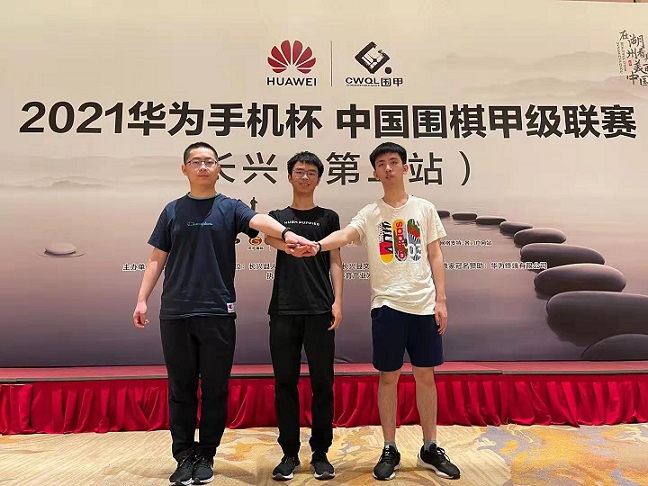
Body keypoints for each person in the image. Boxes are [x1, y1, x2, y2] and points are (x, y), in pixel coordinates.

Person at [132, 142, 314, 486]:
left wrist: (287, 233)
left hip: (218, 312)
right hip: (176, 313)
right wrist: (142, 299)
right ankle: (183, 456)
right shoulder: (172, 210)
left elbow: (259, 221)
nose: (203, 166)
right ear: (184, 169)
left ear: (219, 169)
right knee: (181, 389)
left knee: (215, 389)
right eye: (196, 162)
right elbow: (157, 258)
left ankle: (206, 455)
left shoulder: (230, 207)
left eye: (209, 161)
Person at [307, 142, 461, 481]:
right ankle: (389, 447)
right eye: (381, 164)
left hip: (423, 305)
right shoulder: (370, 213)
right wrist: (318, 245)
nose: (388, 168)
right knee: (388, 377)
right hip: (387, 306)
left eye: (393, 162)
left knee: (425, 376)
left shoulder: (424, 208)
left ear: (406, 168)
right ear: (375, 173)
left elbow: (435, 255)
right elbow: (345, 235)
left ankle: (430, 447)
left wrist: (441, 300)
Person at [264, 152, 343, 481]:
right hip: (284, 309)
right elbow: (268, 238)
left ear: (319, 179)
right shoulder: (277, 217)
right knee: (285, 383)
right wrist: (289, 244)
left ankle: (321, 452)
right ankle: (289, 453)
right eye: (299, 171)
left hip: (320, 309)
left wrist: (338, 301)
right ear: (289, 176)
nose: (305, 177)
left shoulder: (328, 217)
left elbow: (335, 260)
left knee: (323, 383)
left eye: (311, 172)